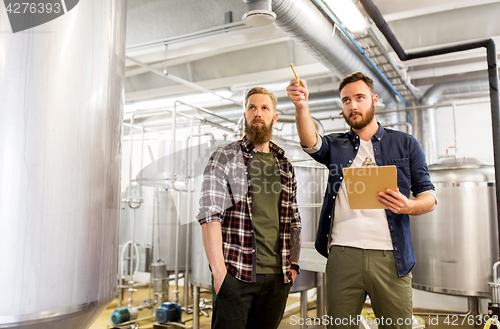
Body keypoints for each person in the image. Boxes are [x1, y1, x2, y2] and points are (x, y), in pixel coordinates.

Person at [286, 72, 436, 329]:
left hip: (392, 257)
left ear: (374, 99)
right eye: (346, 100)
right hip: (343, 254)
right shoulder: (336, 144)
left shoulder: (405, 144)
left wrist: (409, 205)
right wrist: (302, 106)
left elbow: (429, 196)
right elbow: (309, 142)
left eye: (359, 98)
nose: (352, 106)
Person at [196, 87, 302, 329]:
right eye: (252, 107)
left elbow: (294, 219)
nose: (258, 113)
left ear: (274, 117)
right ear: (244, 114)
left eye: (265, 108)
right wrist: (220, 274)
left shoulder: (285, 165)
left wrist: (293, 266)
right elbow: (210, 215)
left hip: (278, 277)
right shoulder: (224, 157)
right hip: (236, 273)